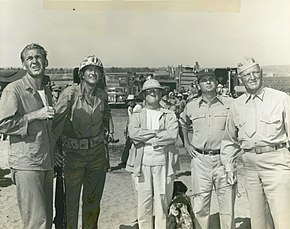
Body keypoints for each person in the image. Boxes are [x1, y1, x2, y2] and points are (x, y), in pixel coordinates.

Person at [221, 58, 290, 229]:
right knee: (258, 220)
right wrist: (229, 166)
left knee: (283, 218)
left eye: (255, 73)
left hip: (276, 162)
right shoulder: (236, 105)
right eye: (246, 75)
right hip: (250, 166)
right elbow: (230, 140)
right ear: (240, 79)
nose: (252, 77)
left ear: (261, 73)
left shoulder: (280, 98)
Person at [52, 55, 112, 229]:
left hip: (97, 155)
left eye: (97, 70)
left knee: (93, 202)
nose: (93, 73)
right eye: (89, 70)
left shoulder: (102, 95)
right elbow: (55, 123)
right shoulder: (70, 94)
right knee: (70, 203)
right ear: (82, 74)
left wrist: (105, 132)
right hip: (73, 155)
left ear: (100, 75)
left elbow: (106, 115)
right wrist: (55, 149)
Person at [0, 43, 54, 229]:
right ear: (23, 64)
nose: (34, 61)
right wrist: (34, 115)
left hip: (46, 162)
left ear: (46, 62)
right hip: (27, 164)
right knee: (36, 222)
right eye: (29, 58)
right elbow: (3, 124)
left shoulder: (46, 90)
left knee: (46, 219)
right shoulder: (14, 89)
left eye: (38, 57)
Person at [180, 68, 236, 229]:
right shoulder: (191, 106)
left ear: (217, 82)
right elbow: (182, 123)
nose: (208, 82)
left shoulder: (229, 104)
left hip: (224, 160)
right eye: (204, 80)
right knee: (200, 204)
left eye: (211, 79)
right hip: (200, 160)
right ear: (199, 85)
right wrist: (187, 144)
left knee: (227, 204)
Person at [126, 79, 179, 229]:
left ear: (161, 93)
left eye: (156, 91)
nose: (153, 93)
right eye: (149, 91)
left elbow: (173, 135)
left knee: (162, 201)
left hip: (163, 163)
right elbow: (133, 134)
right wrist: (157, 134)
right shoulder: (137, 114)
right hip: (141, 164)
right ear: (144, 95)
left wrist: (147, 138)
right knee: (144, 203)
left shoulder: (169, 114)